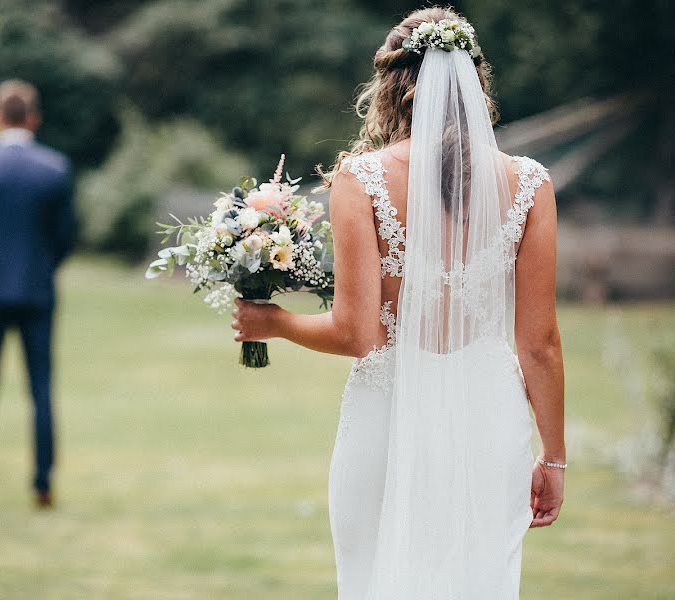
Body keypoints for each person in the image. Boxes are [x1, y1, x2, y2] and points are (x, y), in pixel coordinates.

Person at [231, 7, 565, 598]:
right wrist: (555, 457)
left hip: (385, 417)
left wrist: (273, 322)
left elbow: (358, 334)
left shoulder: (361, 179)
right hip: (489, 421)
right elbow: (539, 344)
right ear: (475, 81)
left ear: (391, 86)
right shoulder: (531, 185)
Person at [0, 79, 77, 510]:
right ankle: (42, 485)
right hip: (37, 292)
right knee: (40, 389)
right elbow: (65, 236)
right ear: (34, 119)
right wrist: (42, 268)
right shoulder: (54, 168)